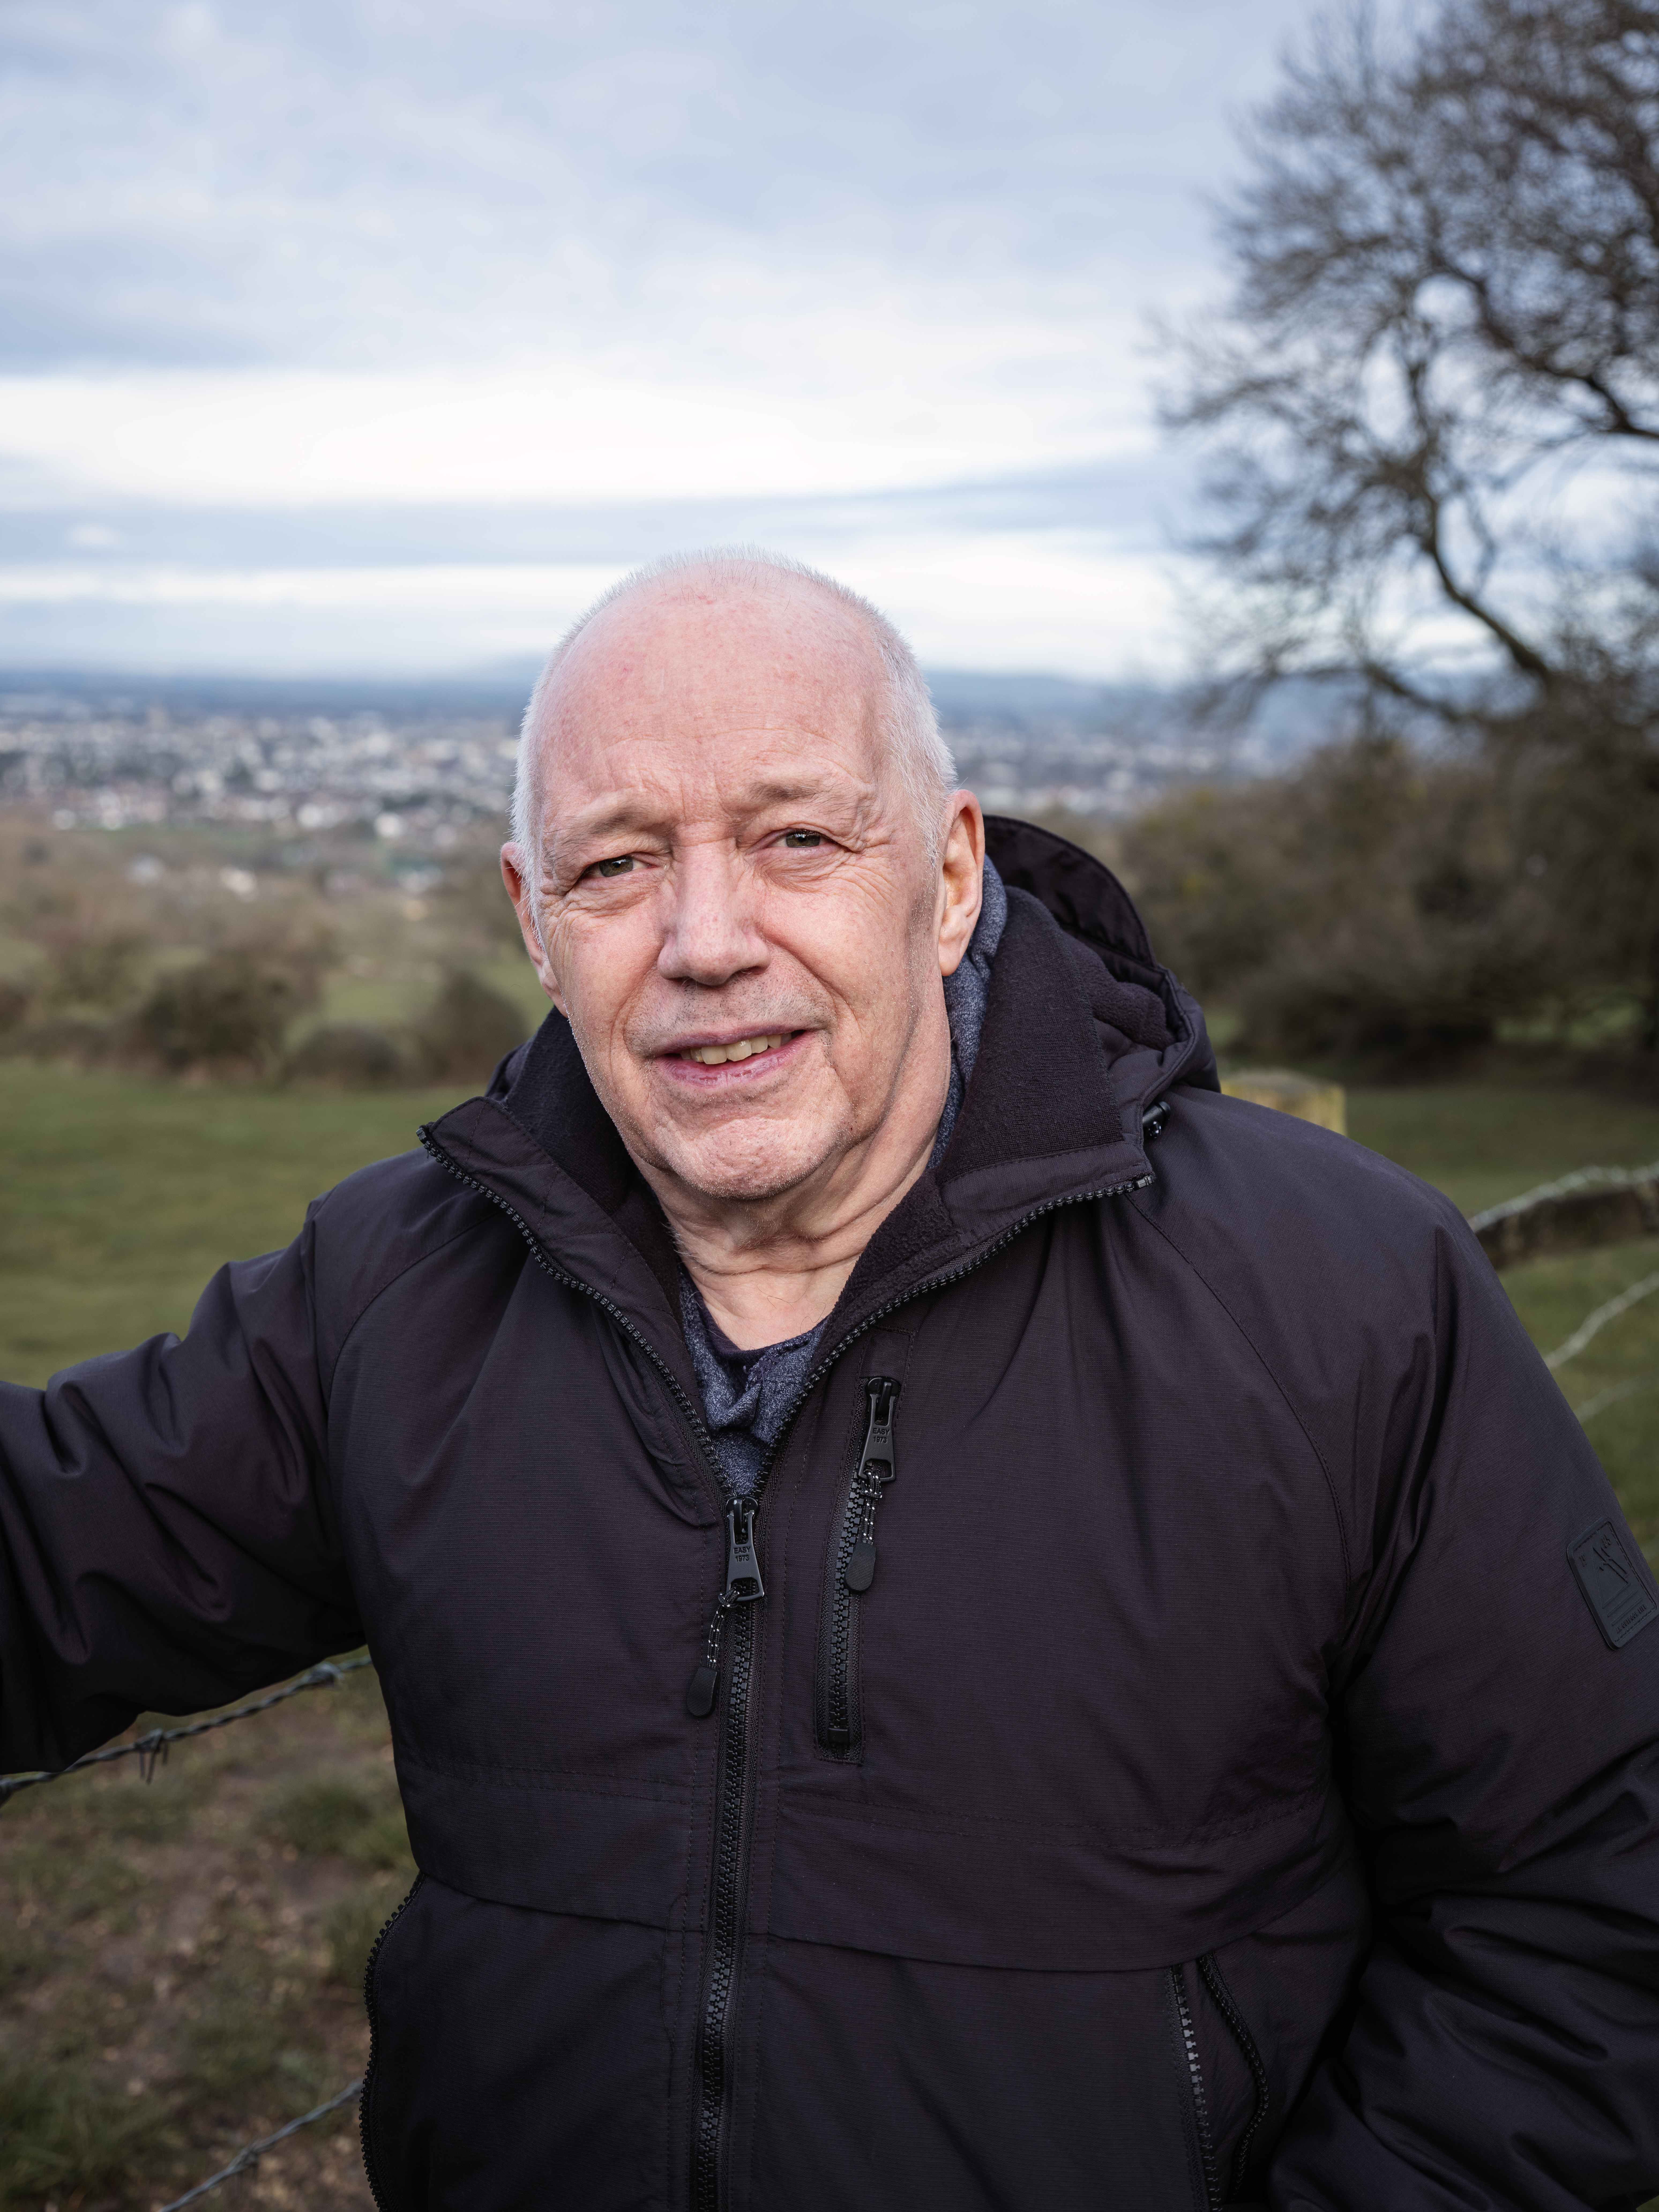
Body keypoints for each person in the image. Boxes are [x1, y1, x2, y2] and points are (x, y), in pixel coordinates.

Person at [2, 549, 1657, 2212]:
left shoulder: (1335, 1296)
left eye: (796, 837)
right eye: (618, 863)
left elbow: (1592, 1908)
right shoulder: (386, 1296)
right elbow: (48, 1552)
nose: (707, 940)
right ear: (534, 921)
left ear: (947, 879)